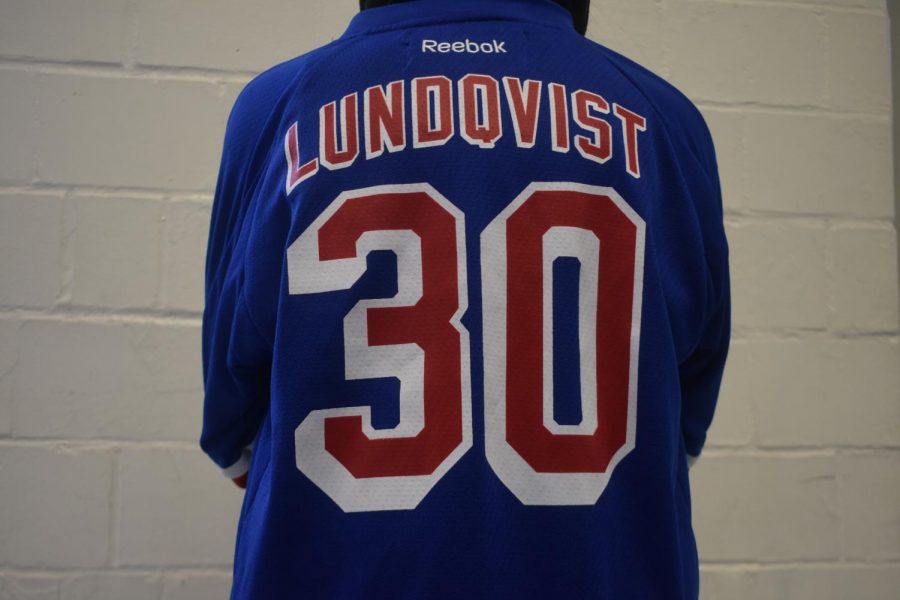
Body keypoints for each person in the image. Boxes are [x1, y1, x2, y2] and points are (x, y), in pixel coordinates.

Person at [200, 0, 731, 597]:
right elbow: (695, 374)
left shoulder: (280, 104)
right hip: (596, 569)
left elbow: (231, 387)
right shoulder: (665, 115)